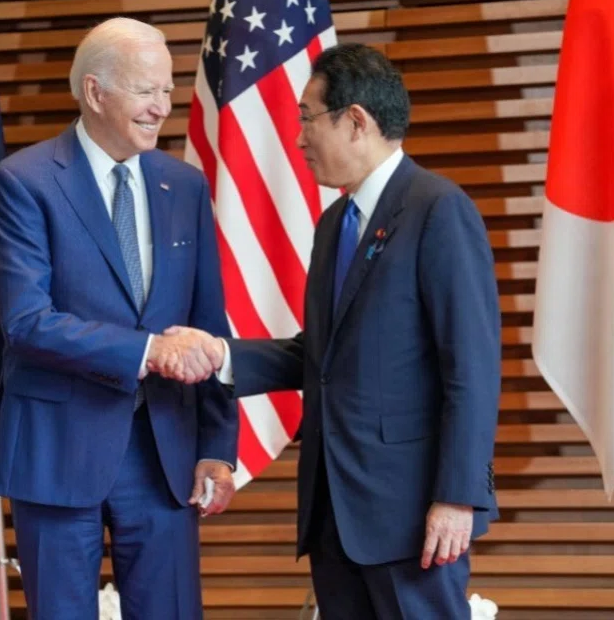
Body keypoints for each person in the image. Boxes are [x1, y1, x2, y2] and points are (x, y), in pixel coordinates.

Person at [165, 43, 501, 618]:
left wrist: (457, 496)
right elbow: (319, 354)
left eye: (305, 119)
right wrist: (220, 355)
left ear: (355, 122)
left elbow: (471, 366)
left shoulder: (438, 210)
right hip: (334, 512)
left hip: (412, 514)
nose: (298, 139)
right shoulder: (333, 225)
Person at [0, 18, 237, 620]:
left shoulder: (186, 186)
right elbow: (27, 321)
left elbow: (208, 326)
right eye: (146, 91)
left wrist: (218, 448)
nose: (162, 108)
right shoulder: (24, 182)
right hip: (57, 449)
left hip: (163, 452)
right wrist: (147, 351)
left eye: (168, 92)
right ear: (95, 93)